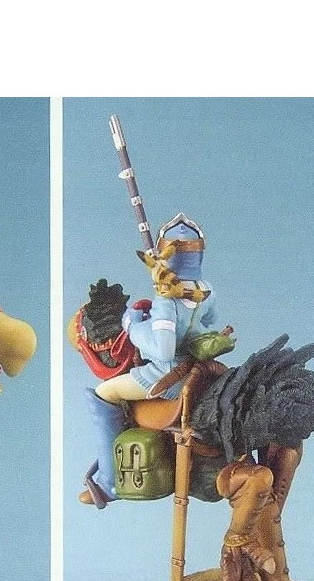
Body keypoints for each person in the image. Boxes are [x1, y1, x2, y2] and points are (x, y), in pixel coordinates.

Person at [81, 213, 219, 507]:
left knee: (104, 392)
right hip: (196, 370)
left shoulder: (166, 300)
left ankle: (108, 482)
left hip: (165, 375)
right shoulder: (205, 290)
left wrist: (133, 326)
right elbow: (210, 323)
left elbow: (163, 350)